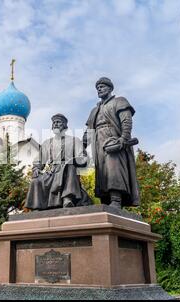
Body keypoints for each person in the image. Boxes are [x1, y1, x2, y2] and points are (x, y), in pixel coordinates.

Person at [83, 77, 140, 209]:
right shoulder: (94, 110)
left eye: (102, 87)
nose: (99, 89)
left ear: (110, 88)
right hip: (99, 143)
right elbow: (89, 131)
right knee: (102, 171)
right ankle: (106, 199)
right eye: (97, 88)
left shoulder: (119, 101)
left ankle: (116, 199)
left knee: (114, 168)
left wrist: (123, 139)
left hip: (113, 139)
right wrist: (82, 145)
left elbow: (126, 121)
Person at [25, 114, 91, 210]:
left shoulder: (74, 141)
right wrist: (36, 168)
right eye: (54, 122)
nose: (55, 124)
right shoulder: (47, 143)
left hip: (68, 170)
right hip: (52, 172)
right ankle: (37, 207)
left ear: (65, 126)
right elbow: (39, 160)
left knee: (70, 167)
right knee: (36, 180)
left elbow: (83, 157)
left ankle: (68, 199)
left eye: (58, 122)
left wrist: (76, 160)